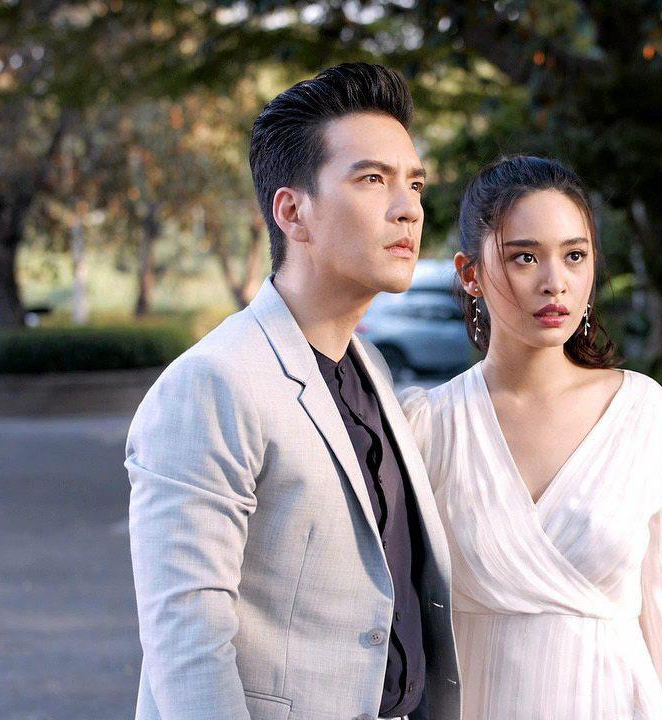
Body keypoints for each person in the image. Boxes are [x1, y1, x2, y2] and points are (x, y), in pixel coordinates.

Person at [125, 63, 458, 720]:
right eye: (372, 179)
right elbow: (187, 641)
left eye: (414, 183)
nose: (409, 207)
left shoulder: (370, 367)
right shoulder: (214, 382)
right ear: (292, 211)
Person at [398, 155, 662, 719]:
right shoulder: (427, 426)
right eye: (524, 257)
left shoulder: (640, 412)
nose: (555, 282)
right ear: (470, 274)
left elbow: (659, 610)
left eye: (574, 255)